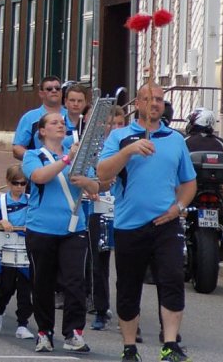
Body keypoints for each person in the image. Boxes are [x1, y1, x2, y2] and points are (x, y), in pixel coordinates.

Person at [97, 83, 197, 362]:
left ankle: (170, 344)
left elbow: (189, 182)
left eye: (160, 99)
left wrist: (178, 208)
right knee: (129, 287)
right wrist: (128, 151)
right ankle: (130, 347)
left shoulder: (175, 139)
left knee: (173, 279)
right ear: (137, 104)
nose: (155, 103)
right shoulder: (120, 136)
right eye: (149, 99)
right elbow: (103, 173)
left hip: (166, 224)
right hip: (130, 225)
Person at [22, 113, 99, 354]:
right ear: (42, 131)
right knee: (42, 282)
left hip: (73, 228)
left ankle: (73, 333)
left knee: (75, 281)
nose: (60, 125)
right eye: (54, 123)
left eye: (62, 123)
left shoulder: (78, 156)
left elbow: (96, 187)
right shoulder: (33, 155)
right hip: (41, 228)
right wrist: (67, 159)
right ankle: (44, 332)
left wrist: (85, 180)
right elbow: (39, 177)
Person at [183, 107, 223, 292]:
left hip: (192, 193)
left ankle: (166, 266)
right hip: (215, 195)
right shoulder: (222, 144)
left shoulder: (185, 142)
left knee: (175, 223)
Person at [89, 105, 126, 331]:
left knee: (126, 266)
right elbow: (82, 176)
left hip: (123, 211)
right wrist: (92, 187)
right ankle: (101, 310)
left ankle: (128, 316)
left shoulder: (130, 148)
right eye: (112, 124)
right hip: (99, 209)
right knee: (98, 263)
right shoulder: (94, 150)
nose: (116, 128)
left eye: (120, 124)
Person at [0, 164, 35, 339]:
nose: (19, 187)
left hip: (24, 250)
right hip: (6, 250)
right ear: (8, 182)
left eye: (23, 184)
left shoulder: (31, 200)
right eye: (16, 183)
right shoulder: (0, 202)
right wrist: (1, 223)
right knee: (6, 288)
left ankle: (22, 324)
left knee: (25, 290)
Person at [12, 76, 68, 160]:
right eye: (49, 89)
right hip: (40, 167)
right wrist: (37, 158)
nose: (54, 91)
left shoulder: (72, 116)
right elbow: (17, 148)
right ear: (41, 93)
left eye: (57, 88)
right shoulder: (30, 118)